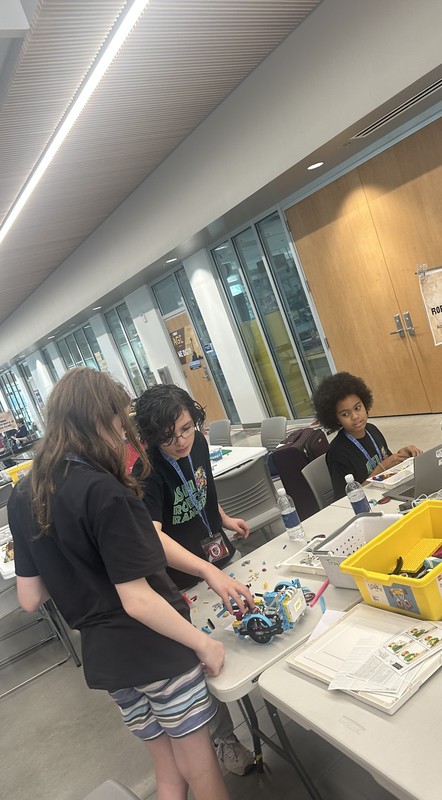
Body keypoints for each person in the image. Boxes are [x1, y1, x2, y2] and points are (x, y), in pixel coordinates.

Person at [8, 368, 255, 800]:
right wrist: (202, 643)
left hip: (108, 661)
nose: (124, 436)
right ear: (102, 421)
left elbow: (30, 597)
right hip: (155, 649)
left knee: (167, 776)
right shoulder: (106, 491)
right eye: (121, 423)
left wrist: (70, 559)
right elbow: (138, 600)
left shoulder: (25, 494)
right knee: (200, 769)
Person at [134, 384, 254, 776]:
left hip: (218, 560)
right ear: (153, 438)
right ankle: (225, 737)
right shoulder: (147, 472)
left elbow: (201, 489)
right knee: (206, 660)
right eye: (168, 438)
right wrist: (203, 570)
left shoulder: (197, 443)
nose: (181, 441)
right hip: (182, 581)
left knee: (251, 630)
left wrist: (223, 518)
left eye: (186, 429)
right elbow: (153, 534)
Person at [312, 372, 422, 500]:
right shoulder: (337, 452)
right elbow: (347, 498)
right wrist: (382, 467)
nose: (355, 416)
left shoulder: (372, 430)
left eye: (357, 408)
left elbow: (386, 459)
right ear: (336, 419)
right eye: (345, 414)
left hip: (387, 494)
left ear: (365, 404)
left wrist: (401, 455)